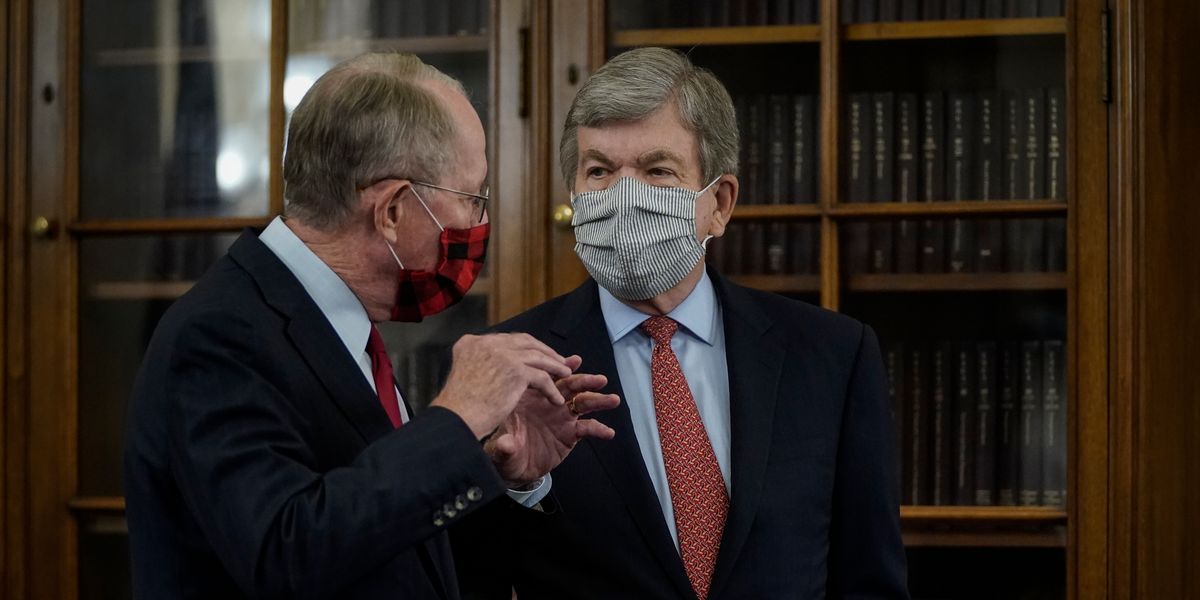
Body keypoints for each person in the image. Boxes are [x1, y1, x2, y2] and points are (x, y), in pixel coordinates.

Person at [123, 52, 619, 599]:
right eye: (472, 199)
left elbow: (391, 547)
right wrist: (457, 417)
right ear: (392, 211)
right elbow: (283, 554)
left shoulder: (336, 321)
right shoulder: (219, 336)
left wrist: (500, 474)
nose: (480, 224)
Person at [451, 47, 909, 599]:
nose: (623, 195)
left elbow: (870, 579)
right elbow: (460, 575)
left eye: (656, 170)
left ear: (719, 201)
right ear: (573, 195)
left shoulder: (832, 354)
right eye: (599, 170)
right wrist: (513, 482)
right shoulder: (509, 364)